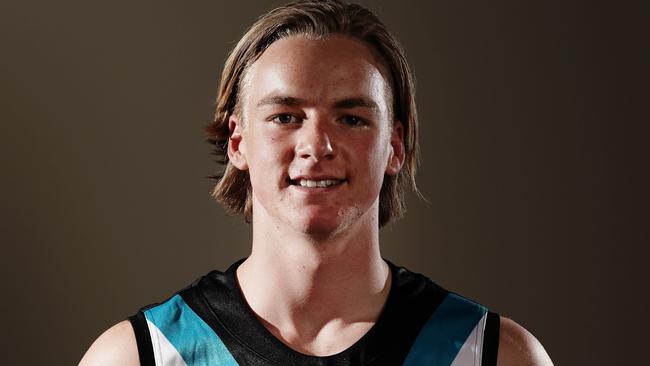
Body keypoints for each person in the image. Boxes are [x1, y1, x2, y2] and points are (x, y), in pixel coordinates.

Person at [79, 1, 553, 365]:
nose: (317, 144)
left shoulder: (489, 354)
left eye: (350, 118)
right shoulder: (144, 355)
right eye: (285, 116)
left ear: (395, 146)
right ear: (238, 143)